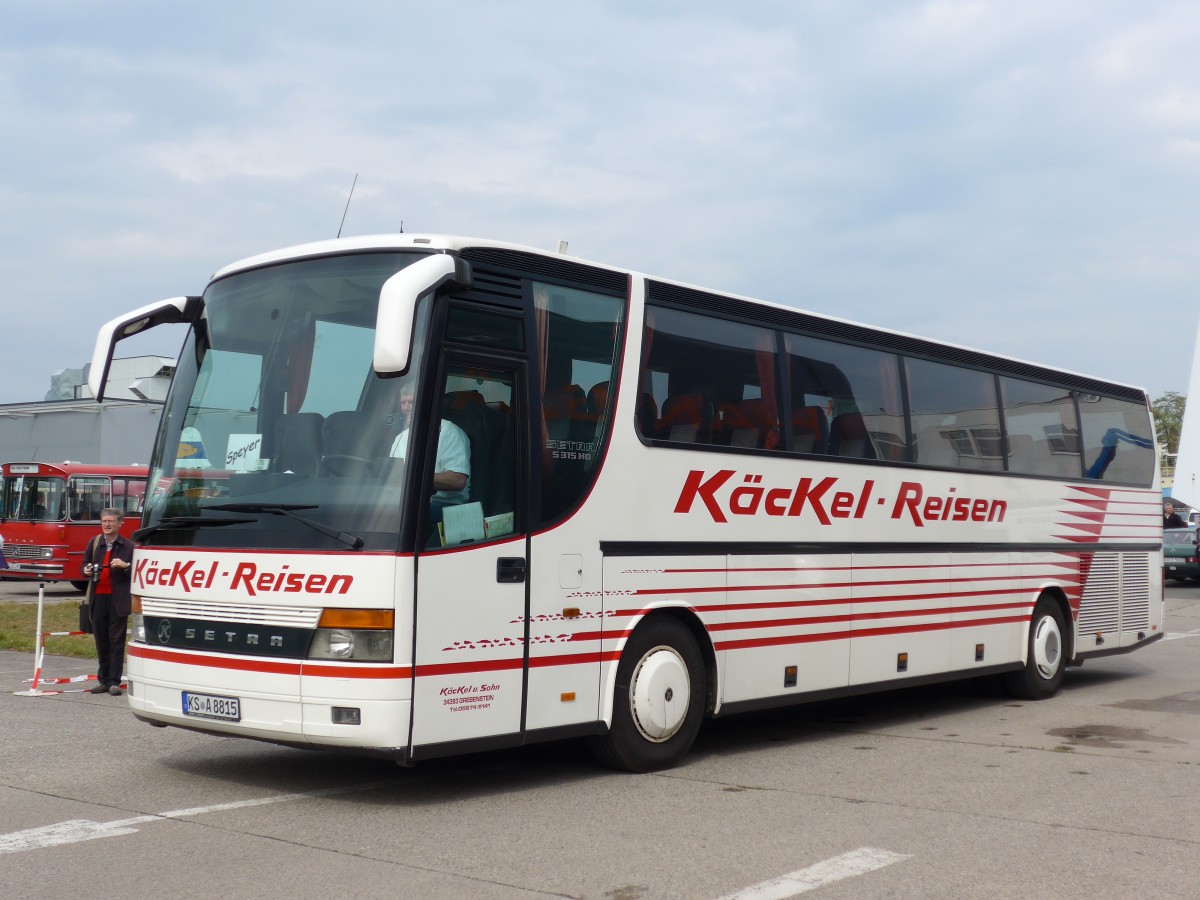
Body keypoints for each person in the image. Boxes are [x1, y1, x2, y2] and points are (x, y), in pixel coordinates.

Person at [389, 386, 471, 522]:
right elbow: (392, 477)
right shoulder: (400, 438)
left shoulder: (449, 432)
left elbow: (457, 480)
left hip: (445, 508)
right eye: (404, 402)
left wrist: (413, 477)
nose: (407, 407)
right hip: (406, 502)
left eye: (411, 402)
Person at [81, 508, 134, 695]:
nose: (107, 524)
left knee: (116, 641)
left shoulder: (128, 546)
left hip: (117, 600)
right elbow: (84, 565)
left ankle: (114, 682)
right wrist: (86, 570)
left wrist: (125, 566)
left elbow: (136, 572)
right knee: (101, 640)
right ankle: (103, 680)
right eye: (104, 521)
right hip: (98, 598)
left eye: (111, 521)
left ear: (120, 523)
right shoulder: (94, 543)